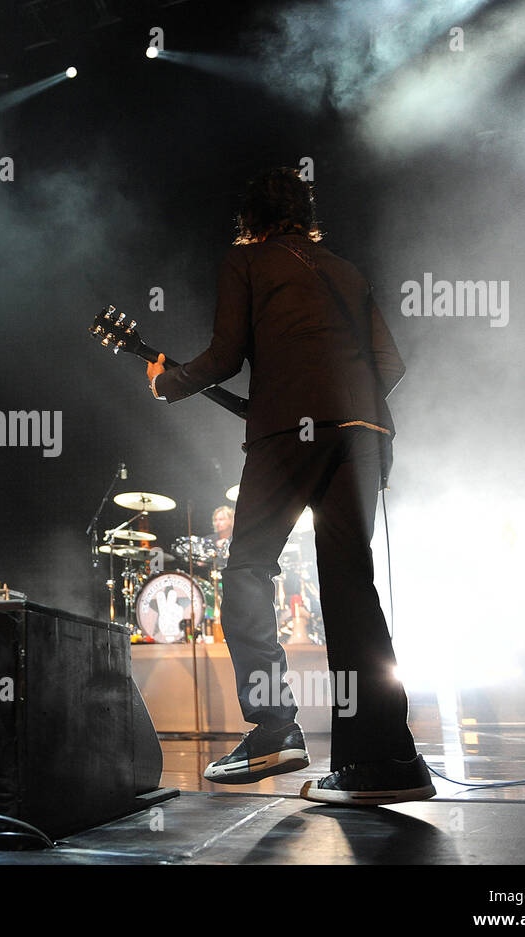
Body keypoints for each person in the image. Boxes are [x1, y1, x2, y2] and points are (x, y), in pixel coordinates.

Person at [146, 168, 433, 805]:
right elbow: (391, 364)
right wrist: (339, 403)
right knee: (353, 587)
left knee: (247, 567)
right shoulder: (347, 271)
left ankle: (275, 727)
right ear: (307, 215)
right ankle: (386, 760)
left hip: (289, 436)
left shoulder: (246, 262)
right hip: (364, 433)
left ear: (250, 219)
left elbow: (224, 357)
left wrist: (168, 382)